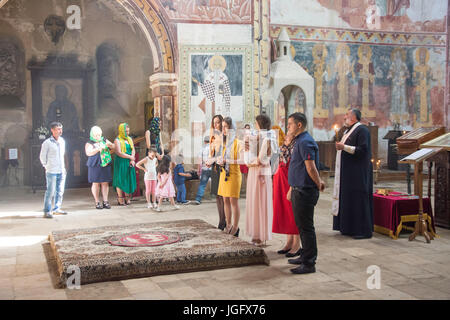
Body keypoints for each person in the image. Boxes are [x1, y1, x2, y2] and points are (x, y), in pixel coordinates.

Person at [286, 112, 325, 274]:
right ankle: (304, 255)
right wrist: (291, 188)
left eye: (290, 124)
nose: (288, 127)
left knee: (306, 227)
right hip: (298, 189)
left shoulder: (305, 142)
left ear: (299, 125)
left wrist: (319, 182)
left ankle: (309, 263)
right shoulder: (299, 141)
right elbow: (298, 167)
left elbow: (310, 167)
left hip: (305, 191)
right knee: (302, 226)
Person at [332, 108, 373, 239]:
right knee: (349, 199)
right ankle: (348, 227)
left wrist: (344, 147)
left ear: (354, 117)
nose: (344, 117)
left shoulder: (362, 130)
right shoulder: (349, 130)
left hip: (358, 174)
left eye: (347, 115)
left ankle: (362, 230)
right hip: (348, 174)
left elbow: (363, 149)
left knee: (358, 200)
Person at [245, 114, 275, 246]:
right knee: (254, 201)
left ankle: (261, 236)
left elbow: (261, 159)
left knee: (260, 202)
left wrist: (249, 162)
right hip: (255, 171)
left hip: (260, 171)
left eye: (256, 123)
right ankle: (256, 234)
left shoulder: (267, 137)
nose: (255, 125)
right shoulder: (261, 136)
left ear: (261, 124)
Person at [272, 132, 302, 257]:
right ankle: (289, 242)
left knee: (292, 213)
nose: (285, 138)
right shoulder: (284, 148)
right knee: (284, 212)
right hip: (280, 181)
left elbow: (295, 168)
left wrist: (292, 186)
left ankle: (297, 244)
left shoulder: (296, 149)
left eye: (288, 136)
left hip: (288, 181)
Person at [217, 117, 244, 237]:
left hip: (234, 174)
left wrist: (227, 160)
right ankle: (228, 224)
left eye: (225, 127)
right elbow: (221, 157)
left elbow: (242, 160)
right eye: (222, 127)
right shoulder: (224, 143)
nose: (223, 129)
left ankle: (236, 227)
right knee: (225, 200)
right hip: (224, 174)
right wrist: (220, 161)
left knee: (233, 201)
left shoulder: (238, 142)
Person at [39, 122, 68, 218]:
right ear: (52, 130)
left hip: (61, 170)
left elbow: (63, 155)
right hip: (51, 170)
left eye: (61, 129)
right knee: (50, 191)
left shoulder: (62, 141)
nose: (60, 131)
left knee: (60, 191)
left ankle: (57, 208)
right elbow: (42, 156)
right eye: (58, 129)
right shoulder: (47, 143)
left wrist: (64, 168)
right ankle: (47, 211)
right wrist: (46, 166)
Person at [85, 126, 115, 209]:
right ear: (92, 135)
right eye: (96, 135)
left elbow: (113, 146)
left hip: (105, 163)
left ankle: (105, 201)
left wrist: (111, 145)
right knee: (96, 183)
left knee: (105, 182)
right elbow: (88, 153)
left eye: (99, 135)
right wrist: (98, 149)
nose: (98, 137)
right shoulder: (89, 142)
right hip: (95, 164)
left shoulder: (104, 140)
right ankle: (97, 202)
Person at [206, 114, 226, 230]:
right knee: (217, 196)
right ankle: (221, 221)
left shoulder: (224, 136)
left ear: (222, 123)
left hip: (222, 166)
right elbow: (211, 152)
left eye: (217, 122)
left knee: (223, 196)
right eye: (214, 122)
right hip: (214, 167)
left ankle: (225, 220)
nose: (215, 124)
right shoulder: (213, 136)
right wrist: (209, 160)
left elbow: (223, 152)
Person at [112, 123, 137, 205]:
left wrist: (132, 158)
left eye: (128, 131)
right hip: (121, 161)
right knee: (120, 179)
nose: (127, 133)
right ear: (121, 131)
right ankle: (120, 198)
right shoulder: (117, 140)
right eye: (126, 131)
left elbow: (133, 149)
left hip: (129, 161)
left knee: (127, 178)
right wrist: (130, 157)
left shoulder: (129, 139)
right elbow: (118, 152)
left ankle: (127, 197)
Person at [193, 136, 212, 205]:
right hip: (213, 169)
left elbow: (199, 161)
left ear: (204, 142)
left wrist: (198, 170)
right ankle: (220, 198)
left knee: (202, 184)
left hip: (205, 169)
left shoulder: (202, 149)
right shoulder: (213, 149)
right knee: (217, 184)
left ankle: (198, 199)